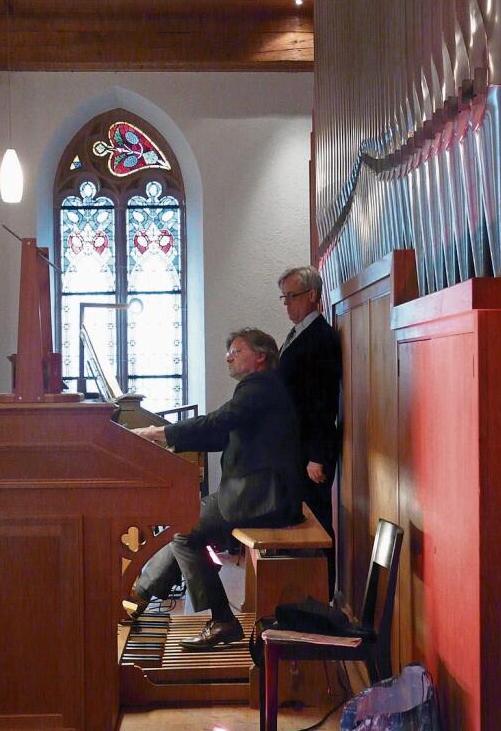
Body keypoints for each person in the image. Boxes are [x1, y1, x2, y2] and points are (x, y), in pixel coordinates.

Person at [124, 328, 302, 650]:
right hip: (259, 492)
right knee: (186, 523)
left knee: (184, 532)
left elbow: (219, 422)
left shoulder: (259, 387)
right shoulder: (260, 389)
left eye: (236, 350)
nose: (228, 356)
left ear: (260, 356)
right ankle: (138, 595)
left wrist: (156, 433)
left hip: (262, 498)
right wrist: (169, 439)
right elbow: (221, 435)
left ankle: (221, 619)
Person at [277, 266, 342, 597]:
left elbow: (323, 399)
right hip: (297, 447)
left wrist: (316, 455)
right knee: (303, 523)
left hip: (311, 452)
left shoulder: (320, 337)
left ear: (313, 295)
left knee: (317, 523)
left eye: (292, 296)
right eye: (284, 298)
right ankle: (306, 595)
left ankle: (323, 595)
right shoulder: (300, 333)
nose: (287, 304)